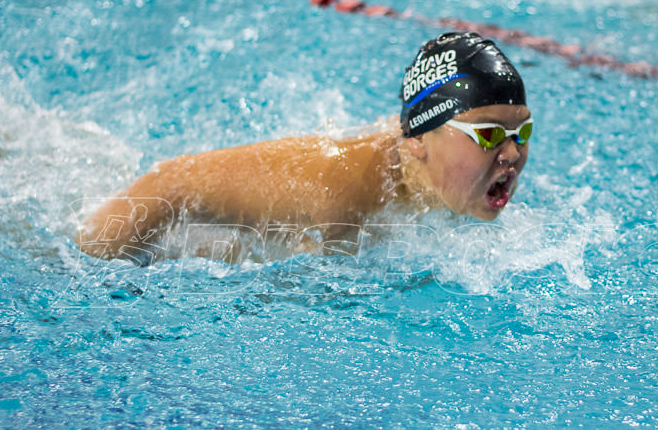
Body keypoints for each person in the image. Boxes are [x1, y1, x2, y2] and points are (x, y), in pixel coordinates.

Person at [76, 32, 533, 262]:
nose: (511, 153)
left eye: (521, 132)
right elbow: (170, 182)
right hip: (149, 223)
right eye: (489, 134)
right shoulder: (335, 195)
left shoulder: (446, 171)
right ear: (417, 141)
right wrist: (88, 269)